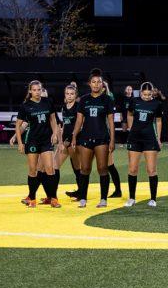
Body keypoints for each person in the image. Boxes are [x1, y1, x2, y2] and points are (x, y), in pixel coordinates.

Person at [71, 69, 116, 208]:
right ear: (89, 84)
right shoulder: (84, 100)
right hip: (85, 139)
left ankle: (103, 199)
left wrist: (113, 140)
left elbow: (111, 121)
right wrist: (73, 136)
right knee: (84, 168)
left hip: (102, 138)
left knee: (102, 168)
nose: (96, 84)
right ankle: (83, 198)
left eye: (99, 82)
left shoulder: (107, 99)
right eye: (94, 82)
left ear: (102, 84)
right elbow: (79, 121)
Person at [12, 79, 60, 207]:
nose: (37, 92)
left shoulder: (48, 102)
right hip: (32, 140)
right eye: (34, 90)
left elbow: (53, 120)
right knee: (33, 170)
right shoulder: (25, 106)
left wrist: (55, 134)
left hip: (46, 140)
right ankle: (32, 198)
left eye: (39, 89)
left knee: (50, 168)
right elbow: (18, 126)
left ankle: (53, 198)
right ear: (30, 91)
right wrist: (20, 143)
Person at [124, 82, 164, 207]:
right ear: (140, 92)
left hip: (150, 139)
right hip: (134, 138)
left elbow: (158, 121)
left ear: (152, 93)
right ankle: (131, 198)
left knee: (151, 170)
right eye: (144, 94)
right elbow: (129, 114)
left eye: (149, 94)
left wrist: (158, 138)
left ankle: (153, 199)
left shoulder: (157, 104)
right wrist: (131, 128)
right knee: (132, 169)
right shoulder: (134, 101)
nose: (146, 96)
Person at [54, 84, 82, 197]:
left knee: (77, 167)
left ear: (76, 95)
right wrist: (60, 141)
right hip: (65, 141)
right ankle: (52, 195)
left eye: (72, 94)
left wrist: (71, 139)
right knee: (54, 166)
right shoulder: (64, 107)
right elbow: (64, 125)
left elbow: (80, 125)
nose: (69, 96)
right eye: (67, 94)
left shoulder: (78, 106)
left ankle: (81, 192)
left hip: (75, 141)